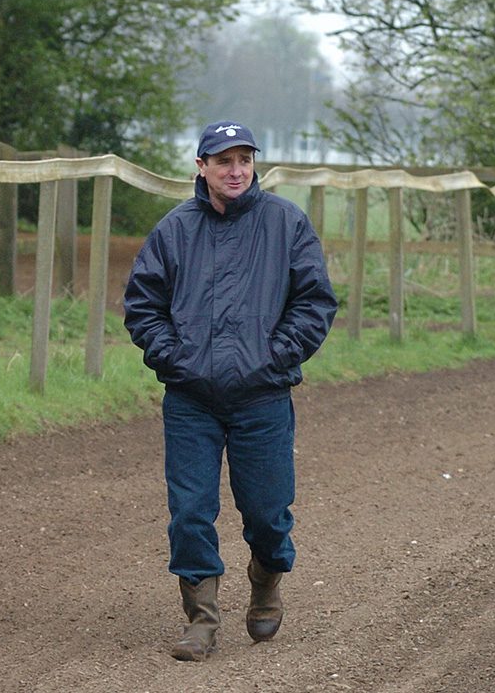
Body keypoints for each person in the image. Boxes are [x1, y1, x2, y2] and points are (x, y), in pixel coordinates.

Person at [122, 120, 338, 661]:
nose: (235, 170)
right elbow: (142, 306)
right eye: (223, 161)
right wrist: (177, 359)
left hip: (263, 396)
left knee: (266, 512)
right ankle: (201, 617)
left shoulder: (286, 223)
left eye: (243, 159)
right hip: (191, 399)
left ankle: (266, 580)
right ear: (202, 168)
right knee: (190, 511)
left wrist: (275, 356)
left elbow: (314, 302)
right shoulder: (174, 230)